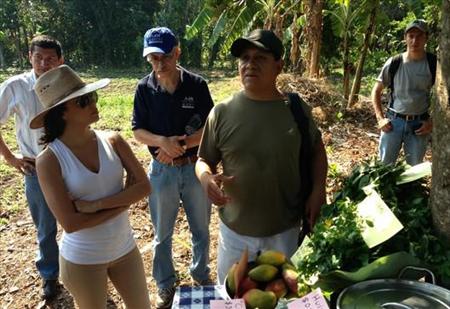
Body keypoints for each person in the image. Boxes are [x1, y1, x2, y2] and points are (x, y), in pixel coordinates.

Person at [195, 29, 328, 283]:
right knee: (233, 297)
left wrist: (318, 190)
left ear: (278, 66)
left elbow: (316, 150)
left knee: (281, 297)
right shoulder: (222, 112)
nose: (250, 64)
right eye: (244, 58)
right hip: (235, 232)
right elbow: (204, 160)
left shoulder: (296, 110)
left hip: (285, 230)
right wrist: (205, 179)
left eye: (260, 58)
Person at [33, 65, 151, 309]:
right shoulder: (49, 161)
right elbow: (71, 223)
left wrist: (95, 206)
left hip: (125, 248)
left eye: (93, 97)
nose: (94, 103)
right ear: (62, 112)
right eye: (84, 101)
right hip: (83, 259)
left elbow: (145, 187)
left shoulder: (113, 141)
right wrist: (125, 200)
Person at [132, 27, 214, 308]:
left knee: (201, 228)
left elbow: (210, 127)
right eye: (153, 58)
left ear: (177, 52)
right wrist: (162, 143)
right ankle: (165, 283)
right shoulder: (144, 89)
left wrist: (181, 145)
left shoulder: (197, 85)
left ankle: (201, 274)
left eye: (165, 57)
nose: (159, 64)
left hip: (194, 167)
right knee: (162, 233)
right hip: (161, 171)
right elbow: (138, 131)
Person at [0, 35, 64, 300]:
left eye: (50, 59)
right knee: (45, 226)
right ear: (30, 57)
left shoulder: (67, 83)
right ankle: (50, 275)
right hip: (35, 167)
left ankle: (84, 267)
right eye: (38, 57)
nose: (44, 64)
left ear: (60, 60)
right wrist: (10, 158)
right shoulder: (15, 87)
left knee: (81, 219)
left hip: (69, 164)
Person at [372, 19, 435, 166]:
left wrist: (431, 122)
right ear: (405, 38)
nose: (414, 40)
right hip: (393, 122)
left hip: (419, 125)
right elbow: (376, 90)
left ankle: (410, 189)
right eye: (411, 36)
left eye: (419, 36)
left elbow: (444, 97)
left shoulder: (433, 64)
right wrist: (380, 118)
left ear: (426, 38)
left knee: (414, 170)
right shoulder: (395, 62)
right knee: (384, 168)